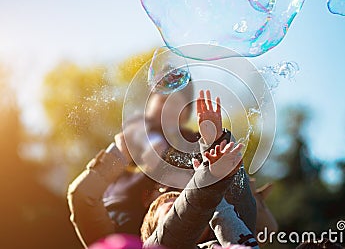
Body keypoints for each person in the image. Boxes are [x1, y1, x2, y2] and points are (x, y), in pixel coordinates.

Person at [68, 89, 258, 248]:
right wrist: (120, 155)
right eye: (162, 100)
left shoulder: (192, 146)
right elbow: (83, 198)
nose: (167, 109)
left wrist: (214, 146)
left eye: (176, 103)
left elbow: (243, 216)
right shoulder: (117, 238)